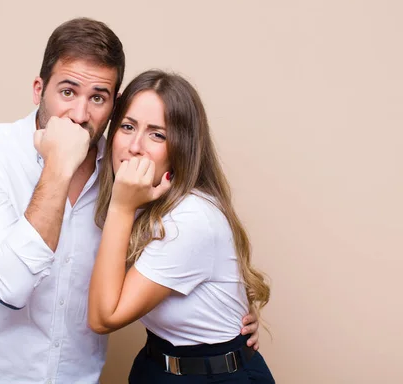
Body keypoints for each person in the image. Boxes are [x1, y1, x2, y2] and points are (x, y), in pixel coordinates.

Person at [0, 18, 260, 384]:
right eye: (67, 92)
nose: (79, 114)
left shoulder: (128, 173)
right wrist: (58, 167)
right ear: (38, 88)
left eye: (98, 98)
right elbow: (10, 287)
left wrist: (226, 328)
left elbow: (190, 243)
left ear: (114, 104)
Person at [88, 70, 275, 383]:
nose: (135, 146)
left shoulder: (189, 219)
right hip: (158, 363)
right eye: (128, 126)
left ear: (181, 147)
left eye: (157, 134)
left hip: (215, 374)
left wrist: (122, 207)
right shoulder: (141, 195)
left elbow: (103, 317)